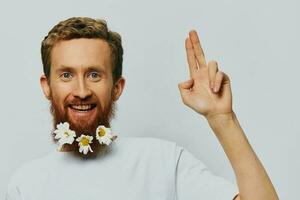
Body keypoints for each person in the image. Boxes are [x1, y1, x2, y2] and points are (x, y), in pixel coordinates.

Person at [5, 17, 279, 200]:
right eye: (66, 75)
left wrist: (223, 119)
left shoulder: (163, 161)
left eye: (94, 74)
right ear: (46, 86)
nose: (81, 90)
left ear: (117, 87)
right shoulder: (25, 185)